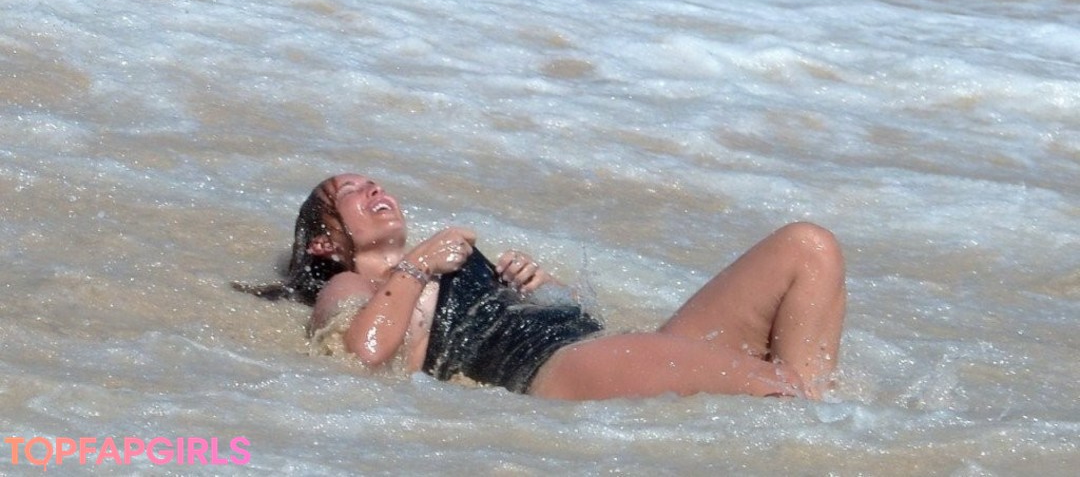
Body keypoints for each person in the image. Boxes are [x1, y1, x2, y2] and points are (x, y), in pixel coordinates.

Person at [234, 173, 846, 400]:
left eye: (375, 183)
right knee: (777, 390)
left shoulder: (442, 261)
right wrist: (416, 265)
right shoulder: (350, 284)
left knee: (807, 246)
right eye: (350, 191)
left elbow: (576, 320)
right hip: (554, 368)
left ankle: (824, 421)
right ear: (325, 243)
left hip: (603, 349)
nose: (373, 189)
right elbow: (360, 354)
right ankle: (827, 428)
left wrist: (547, 289)